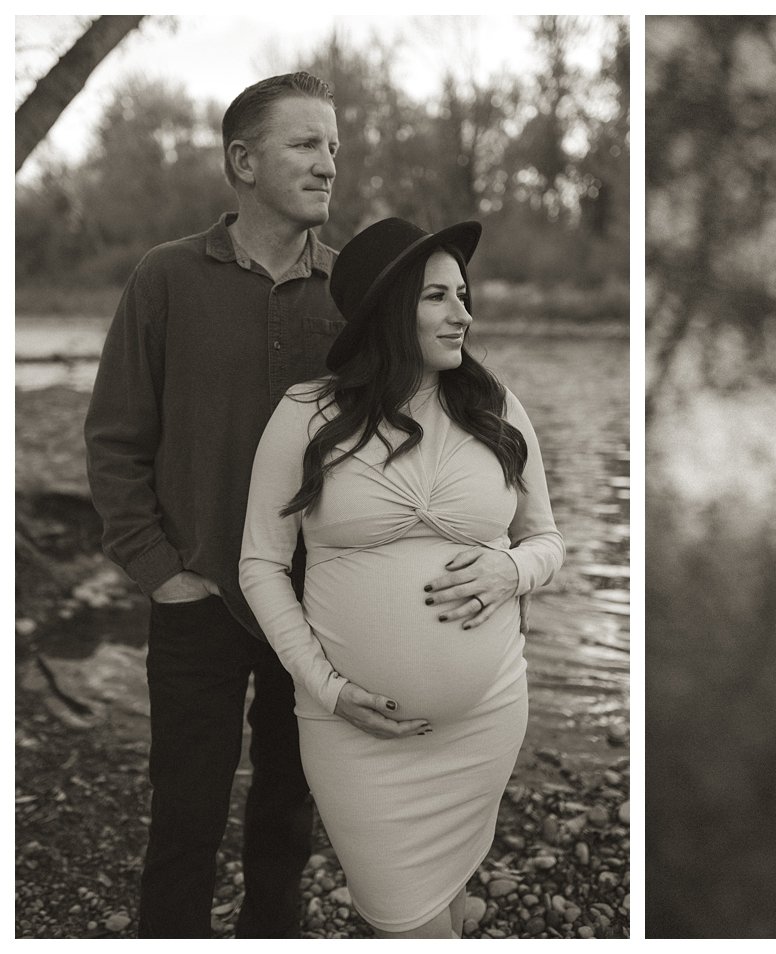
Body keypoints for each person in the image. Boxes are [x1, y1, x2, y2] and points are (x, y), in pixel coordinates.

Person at [238, 217, 563, 938]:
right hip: (353, 730)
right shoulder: (306, 414)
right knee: (402, 920)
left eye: (463, 295)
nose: (463, 314)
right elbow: (259, 563)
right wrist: (325, 686)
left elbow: (545, 541)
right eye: (438, 298)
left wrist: (511, 569)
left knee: (434, 904)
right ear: (391, 310)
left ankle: (453, 901)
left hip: (486, 715)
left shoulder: (495, 408)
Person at [84, 71, 342, 938]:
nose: (328, 165)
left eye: (334, 148)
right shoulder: (165, 279)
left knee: (288, 821)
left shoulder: (353, 295)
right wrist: (162, 575)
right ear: (242, 160)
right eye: (306, 144)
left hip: (312, 610)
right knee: (183, 824)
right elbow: (115, 441)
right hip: (198, 599)